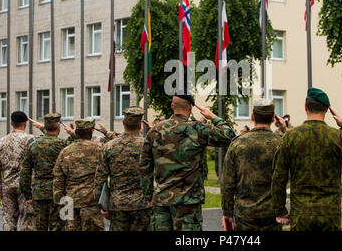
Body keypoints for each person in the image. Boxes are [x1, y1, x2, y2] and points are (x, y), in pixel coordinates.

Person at [271, 87, 342, 231]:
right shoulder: (337, 136)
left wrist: (280, 210)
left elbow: (279, 176)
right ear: (327, 109)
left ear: (305, 107)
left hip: (301, 214)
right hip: (329, 214)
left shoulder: (291, 137)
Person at [140, 91, 236, 231]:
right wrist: (212, 116)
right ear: (190, 108)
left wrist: (148, 197)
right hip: (188, 202)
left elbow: (144, 167)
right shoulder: (197, 129)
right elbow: (229, 135)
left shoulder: (155, 131)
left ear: (172, 106)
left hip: (162, 201)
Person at [221, 99, 286, 231]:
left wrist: (227, 212)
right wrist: (284, 129)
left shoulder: (237, 144)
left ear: (252, 117)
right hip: (272, 213)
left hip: (245, 214)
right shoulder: (281, 144)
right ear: (273, 118)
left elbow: (227, 182)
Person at [94, 107, 152, 231]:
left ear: (123, 123)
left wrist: (102, 205)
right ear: (141, 125)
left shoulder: (109, 146)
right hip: (142, 204)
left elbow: (100, 178)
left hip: (117, 204)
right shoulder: (148, 145)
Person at [19, 113, 70, 231]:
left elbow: (25, 172)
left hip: (39, 192)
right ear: (59, 128)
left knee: (39, 226)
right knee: (60, 227)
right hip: (60, 192)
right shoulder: (64, 145)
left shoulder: (33, 145)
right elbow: (78, 140)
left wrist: (27, 194)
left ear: (45, 128)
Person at [53, 118, 104, 231]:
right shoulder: (99, 149)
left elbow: (58, 181)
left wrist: (60, 205)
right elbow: (105, 175)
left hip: (70, 203)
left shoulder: (65, 152)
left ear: (76, 132)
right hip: (91, 203)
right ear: (91, 132)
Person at [0, 111, 34, 231]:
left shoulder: (1, 141)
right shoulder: (31, 140)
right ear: (25, 124)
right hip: (26, 186)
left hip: (7, 186)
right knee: (27, 221)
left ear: (11, 123)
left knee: (9, 221)